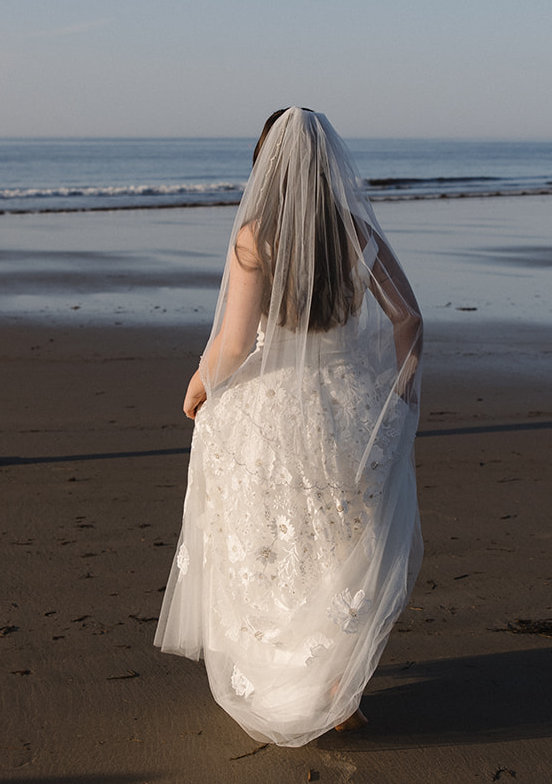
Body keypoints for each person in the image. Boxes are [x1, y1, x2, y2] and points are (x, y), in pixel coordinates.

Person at [155, 107, 424, 747]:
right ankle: (339, 692)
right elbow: (409, 319)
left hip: (273, 415)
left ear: (265, 167)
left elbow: (234, 343)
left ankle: (293, 688)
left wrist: (197, 385)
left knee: (273, 554)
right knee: (341, 553)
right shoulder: (355, 230)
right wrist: (400, 396)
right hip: (349, 409)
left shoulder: (256, 237)